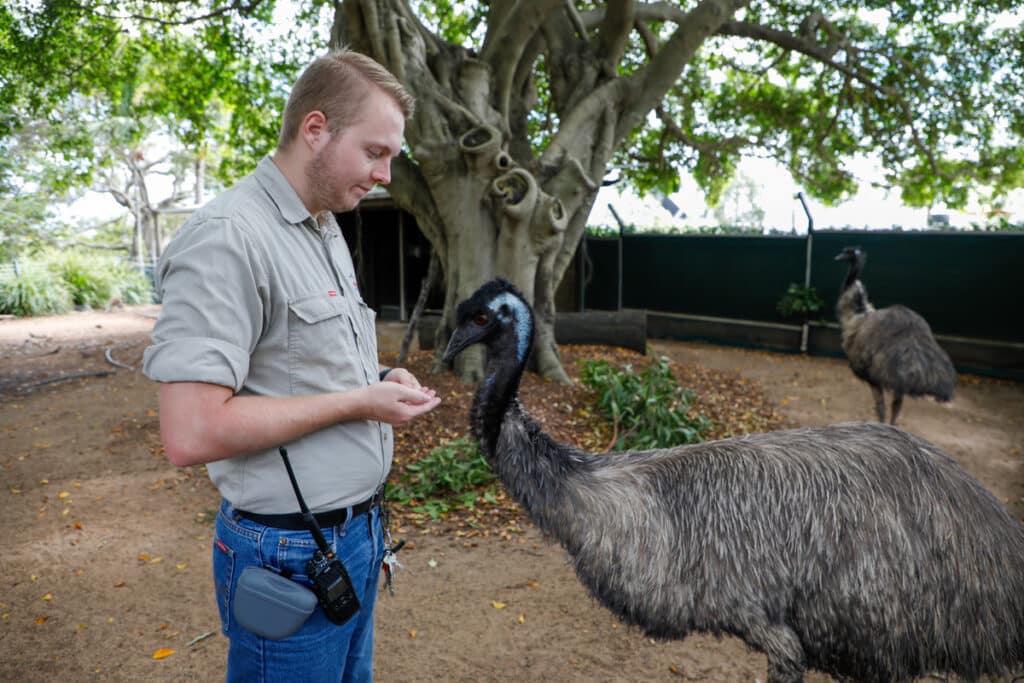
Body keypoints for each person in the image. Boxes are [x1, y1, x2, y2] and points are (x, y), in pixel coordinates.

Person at [143, 49, 441, 682]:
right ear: (315, 130)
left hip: (353, 537)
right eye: (374, 152)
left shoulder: (323, 224)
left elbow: (301, 365)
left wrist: (380, 381)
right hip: (285, 554)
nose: (385, 175)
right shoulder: (228, 236)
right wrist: (361, 404)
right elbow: (189, 432)